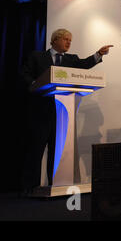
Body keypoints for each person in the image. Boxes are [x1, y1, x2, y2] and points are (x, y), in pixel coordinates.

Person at [20, 28, 112, 194]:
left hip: (61, 112)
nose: (69, 42)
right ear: (55, 40)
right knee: (36, 149)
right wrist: (34, 84)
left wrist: (99, 54)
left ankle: (54, 184)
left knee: (57, 150)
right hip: (40, 111)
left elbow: (85, 64)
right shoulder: (37, 56)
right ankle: (30, 187)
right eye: (66, 39)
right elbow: (25, 74)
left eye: (70, 40)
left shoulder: (72, 59)